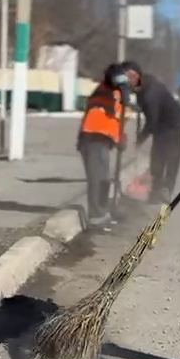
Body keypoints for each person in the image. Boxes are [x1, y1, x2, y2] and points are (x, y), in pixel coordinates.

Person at [122, 61, 180, 204]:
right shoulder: (142, 87)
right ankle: (155, 191)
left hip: (175, 123)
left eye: (132, 76)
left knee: (171, 156)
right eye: (127, 77)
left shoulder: (150, 92)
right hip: (161, 122)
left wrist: (140, 138)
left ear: (138, 74)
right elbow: (151, 115)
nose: (129, 80)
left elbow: (152, 121)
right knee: (157, 156)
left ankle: (165, 191)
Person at [77, 63, 129, 232]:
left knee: (104, 180)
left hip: (104, 141)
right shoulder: (105, 90)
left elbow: (119, 120)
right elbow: (107, 111)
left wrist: (121, 138)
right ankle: (95, 217)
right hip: (93, 138)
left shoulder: (118, 94)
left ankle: (103, 213)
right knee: (97, 180)